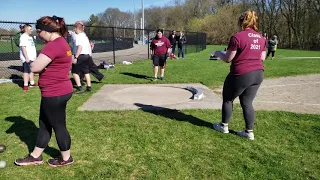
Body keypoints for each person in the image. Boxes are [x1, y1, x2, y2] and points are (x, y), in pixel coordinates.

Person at [15, 15, 74, 167]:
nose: (38, 35)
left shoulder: (54, 45)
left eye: (39, 31)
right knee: (45, 124)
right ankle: (36, 156)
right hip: (58, 90)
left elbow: (34, 68)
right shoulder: (62, 42)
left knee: (58, 125)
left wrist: (35, 64)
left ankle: (66, 158)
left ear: (46, 30)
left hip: (55, 92)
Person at [212, 10, 267, 140]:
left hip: (241, 73)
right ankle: (249, 132)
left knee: (228, 99)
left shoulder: (237, 37)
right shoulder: (261, 38)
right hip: (258, 73)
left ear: (242, 22)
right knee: (247, 102)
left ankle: (223, 126)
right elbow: (262, 57)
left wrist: (218, 53)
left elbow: (228, 59)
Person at [72, 21, 92, 93]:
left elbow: (80, 47)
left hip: (81, 56)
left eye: (75, 29)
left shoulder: (78, 36)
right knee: (86, 72)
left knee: (74, 72)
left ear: (77, 28)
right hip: (87, 56)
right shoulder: (85, 36)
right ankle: (89, 87)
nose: (74, 30)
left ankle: (79, 88)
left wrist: (76, 57)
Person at [19, 24, 38, 91]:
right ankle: (25, 85)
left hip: (32, 57)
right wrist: (26, 57)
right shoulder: (23, 37)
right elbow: (23, 47)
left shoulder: (29, 37)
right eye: (30, 29)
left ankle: (32, 83)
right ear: (26, 29)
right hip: (27, 58)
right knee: (26, 71)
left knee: (31, 70)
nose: (31, 30)